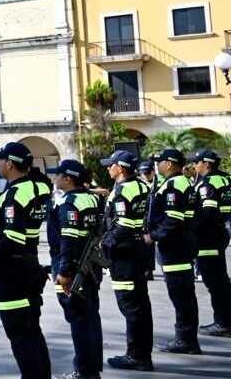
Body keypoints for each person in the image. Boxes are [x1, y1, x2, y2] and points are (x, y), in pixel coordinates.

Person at [0, 142, 52, 379]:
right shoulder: (37, 188)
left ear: (9, 164)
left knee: (20, 335)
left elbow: (11, 239)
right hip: (29, 264)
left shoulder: (15, 194)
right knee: (31, 331)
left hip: (12, 271)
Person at [50, 159, 105, 379]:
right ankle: (92, 368)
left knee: (79, 321)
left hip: (73, 268)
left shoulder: (69, 202)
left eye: (58, 175)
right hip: (90, 264)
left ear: (67, 178)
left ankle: (84, 371)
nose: (55, 179)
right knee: (90, 317)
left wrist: (63, 271)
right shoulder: (92, 198)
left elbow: (68, 239)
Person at [100, 149, 154, 371]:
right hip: (138, 249)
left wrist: (105, 243)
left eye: (110, 164)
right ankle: (142, 354)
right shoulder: (141, 185)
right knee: (141, 304)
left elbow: (122, 224)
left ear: (120, 168)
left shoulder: (123, 189)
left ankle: (137, 356)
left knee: (130, 305)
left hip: (124, 254)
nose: (107, 168)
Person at [146, 149, 202, 354]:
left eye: (159, 161)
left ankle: (185, 339)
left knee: (180, 293)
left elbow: (172, 219)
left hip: (175, 245)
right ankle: (186, 338)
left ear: (169, 164)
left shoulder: (174, 184)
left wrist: (152, 236)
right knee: (183, 293)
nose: (157, 165)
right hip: (179, 243)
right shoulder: (180, 182)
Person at [191, 150, 231, 337]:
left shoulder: (208, 183)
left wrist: (189, 228)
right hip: (219, 232)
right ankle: (225, 320)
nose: (195, 165)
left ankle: (223, 322)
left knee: (215, 281)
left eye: (197, 162)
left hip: (208, 236)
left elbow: (208, 213)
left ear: (206, 164)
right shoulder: (224, 179)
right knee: (221, 280)